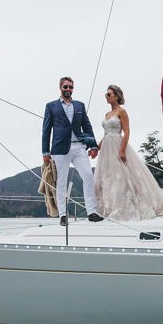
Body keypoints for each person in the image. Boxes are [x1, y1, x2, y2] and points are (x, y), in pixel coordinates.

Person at [94, 85, 163, 220]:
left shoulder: (121, 112)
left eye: (109, 94)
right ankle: (108, 208)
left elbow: (127, 131)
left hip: (117, 145)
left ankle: (124, 207)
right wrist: (97, 148)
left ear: (116, 96)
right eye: (106, 94)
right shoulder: (107, 114)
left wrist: (122, 150)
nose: (107, 96)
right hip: (106, 148)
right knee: (108, 178)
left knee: (122, 177)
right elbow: (106, 134)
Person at [42, 76, 104, 226]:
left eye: (70, 87)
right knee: (61, 181)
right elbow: (46, 130)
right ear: (60, 88)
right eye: (66, 87)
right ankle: (63, 215)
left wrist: (94, 146)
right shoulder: (51, 106)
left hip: (79, 146)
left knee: (88, 175)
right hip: (59, 148)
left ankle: (92, 212)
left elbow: (87, 127)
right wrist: (45, 152)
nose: (68, 89)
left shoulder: (80, 106)